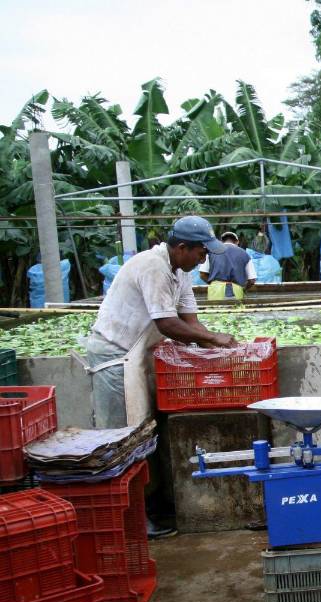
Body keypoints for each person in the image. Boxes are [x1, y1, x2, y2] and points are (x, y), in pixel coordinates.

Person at [86, 215, 238, 539]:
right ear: (181, 247)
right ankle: (128, 522)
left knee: (144, 432)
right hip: (115, 356)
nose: (204, 259)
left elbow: (191, 323)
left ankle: (147, 508)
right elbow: (167, 324)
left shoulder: (179, 272)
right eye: (200, 252)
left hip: (137, 355)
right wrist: (213, 341)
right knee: (124, 438)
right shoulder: (153, 267)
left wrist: (219, 345)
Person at [199, 231, 256, 300]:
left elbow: (202, 274)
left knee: (214, 310)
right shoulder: (245, 254)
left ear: (221, 241)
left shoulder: (212, 252)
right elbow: (252, 280)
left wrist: (214, 283)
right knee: (235, 310)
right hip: (236, 291)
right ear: (237, 242)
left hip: (215, 291)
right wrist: (243, 289)